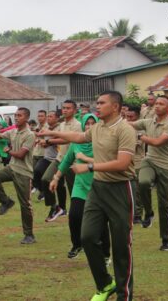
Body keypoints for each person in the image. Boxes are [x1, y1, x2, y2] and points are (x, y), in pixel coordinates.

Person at [41, 90, 137, 301]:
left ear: (115, 106)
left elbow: (123, 163)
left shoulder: (125, 129)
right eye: (97, 102)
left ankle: (125, 294)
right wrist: (50, 135)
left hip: (120, 189)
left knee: (121, 245)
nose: (97, 106)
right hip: (98, 189)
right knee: (87, 237)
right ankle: (105, 284)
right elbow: (78, 137)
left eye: (102, 103)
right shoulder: (98, 127)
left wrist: (90, 167)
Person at [49, 113, 110, 260]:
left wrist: (84, 158)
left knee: (100, 222)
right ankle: (77, 244)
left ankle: (106, 254)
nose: (89, 126)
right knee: (75, 216)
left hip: (99, 185)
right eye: (87, 123)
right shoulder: (77, 143)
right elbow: (66, 161)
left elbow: (107, 161)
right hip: (80, 185)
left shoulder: (102, 141)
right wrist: (56, 178)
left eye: (92, 123)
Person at [131, 95, 168, 250]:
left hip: (166, 165)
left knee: (164, 205)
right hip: (149, 160)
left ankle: (166, 240)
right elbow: (130, 124)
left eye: (161, 104)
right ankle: (148, 213)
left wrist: (141, 136)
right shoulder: (148, 122)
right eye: (156, 103)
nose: (157, 106)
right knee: (143, 182)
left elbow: (158, 142)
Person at [0, 108, 36, 244]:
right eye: (15, 115)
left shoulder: (30, 135)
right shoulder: (13, 131)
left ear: (26, 118)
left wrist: (9, 151)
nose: (16, 118)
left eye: (19, 116)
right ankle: (6, 201)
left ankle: (29, 235)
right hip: (12, 168)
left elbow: (20, 155)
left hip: (23, 172)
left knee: (25, 204)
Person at [42, 100, 82, 221]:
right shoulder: (62, 124)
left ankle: (77, 214)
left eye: (68, 108)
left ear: (75, 111)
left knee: (73, 190)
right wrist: (43, 141)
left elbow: (68, 140)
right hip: (60, 158)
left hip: (72, 161)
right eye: (64, 108)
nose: (65, 110)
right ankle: (55, 207)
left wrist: (49, 141)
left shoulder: (77, 125)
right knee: (45, 179)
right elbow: (58, 136)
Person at [125, 108, 145, 223]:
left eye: (131, 117)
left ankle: (137, 215)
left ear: (137, 117)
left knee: (138, 190)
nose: (128, 119)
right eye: (127, 116)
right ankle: (129, 214)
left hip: (138, 163)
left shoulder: (141, 129)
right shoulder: (123, 127)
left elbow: (136, 144)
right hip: (126, 163)